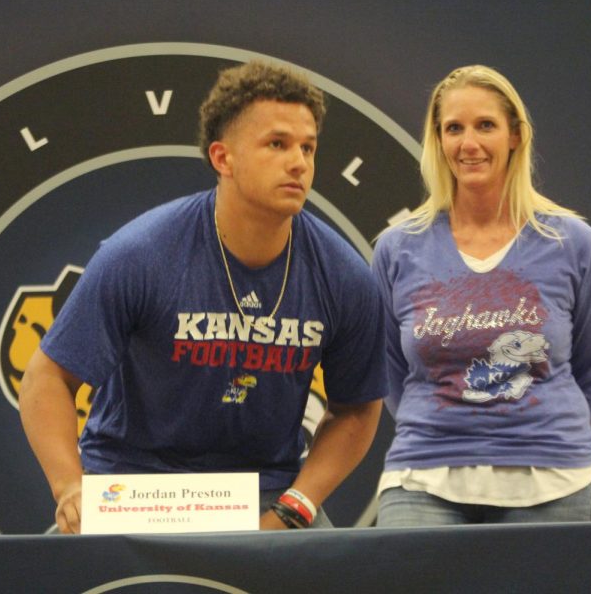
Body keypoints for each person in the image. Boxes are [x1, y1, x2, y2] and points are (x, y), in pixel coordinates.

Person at [19, 60, 387, 534]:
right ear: (222, 158)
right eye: (277, 144)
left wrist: (298, 504)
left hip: (263, 489)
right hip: (131, 481)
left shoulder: (344, 275)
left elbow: (356, 408)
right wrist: (71, 488)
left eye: (308, 147)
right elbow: (46, 378)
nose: (299, 162)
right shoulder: (139, 254)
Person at [371, 65, 591, 526]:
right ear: (438, 140)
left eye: (486, 125)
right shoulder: (397, 247)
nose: (469, 144)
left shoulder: (572, 242)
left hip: (552, 478)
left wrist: (537, 434)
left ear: (515, 136)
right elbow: (389, 370)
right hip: (424, 475)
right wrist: (447, 429)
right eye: (454, 128)